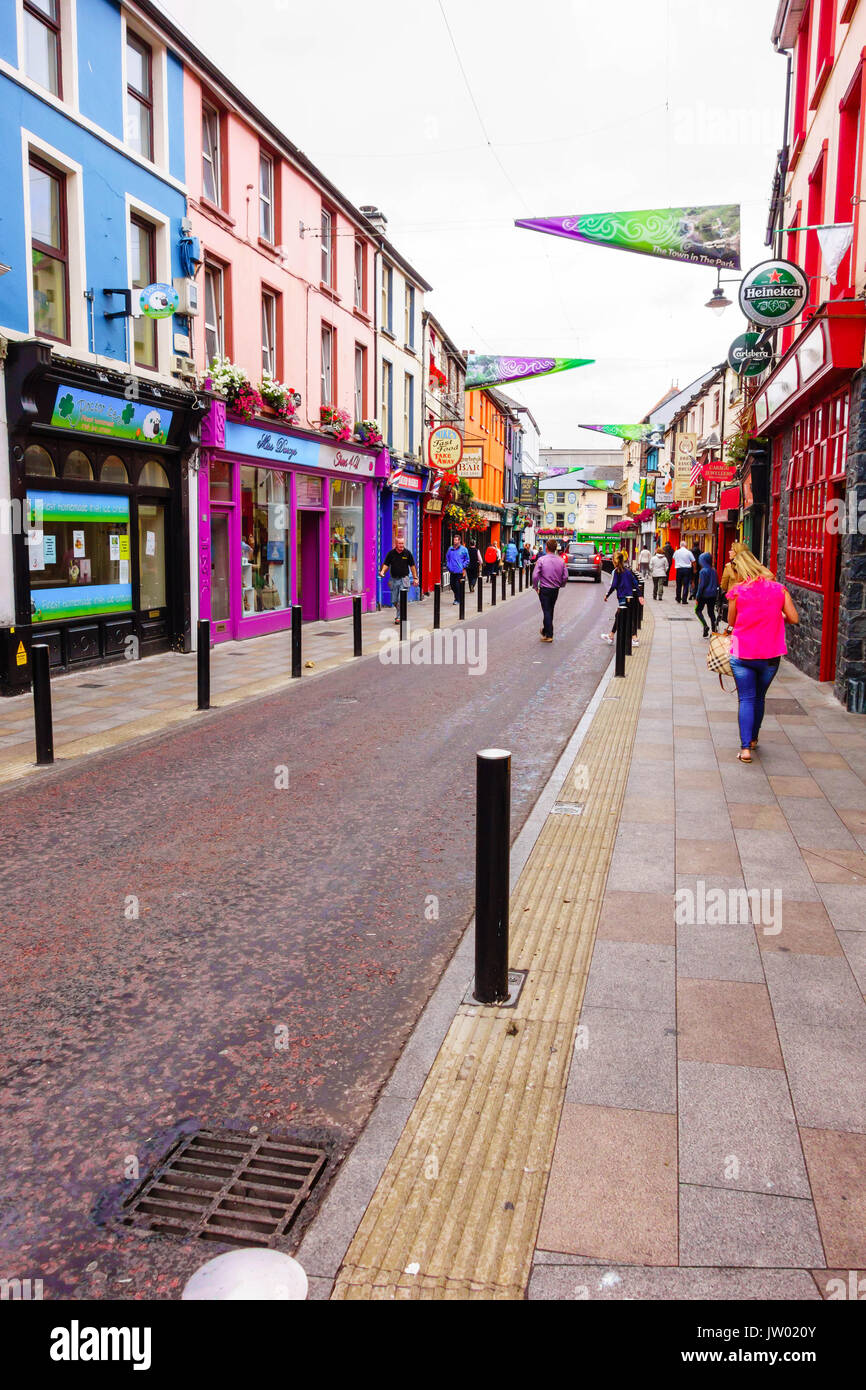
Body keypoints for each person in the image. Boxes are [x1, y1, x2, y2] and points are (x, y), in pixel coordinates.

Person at [723, 546, 799, 763]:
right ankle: (754, 739)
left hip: (742, 653)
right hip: (770, 655)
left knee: (746, 698)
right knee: (759, 697)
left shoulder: (737, 591)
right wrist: (778, 615)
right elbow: (793, 618)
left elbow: (731, 622)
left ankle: (745, 749)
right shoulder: (779, 589)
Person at [532, 537, 568, 641]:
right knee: (550, 610)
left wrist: (535, 587)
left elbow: (535, 576)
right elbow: (565, 576)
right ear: (555, 548)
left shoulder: (541, 560)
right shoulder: (561, 561)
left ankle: (549, 635)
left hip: (544, 589)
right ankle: (545, 631)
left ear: (546, 548)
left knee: (546, 610)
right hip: (555, 589)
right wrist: (561, 584)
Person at [601, 550, 639, 643]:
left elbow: (613, 585)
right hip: (630, 596)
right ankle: (611, 636)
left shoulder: (616, 571)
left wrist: (607, 595)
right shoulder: (628, 571)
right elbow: (635, 582)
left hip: (622, 597)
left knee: (624, 617)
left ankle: (634, 638)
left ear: (614, 561)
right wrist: (639, 594)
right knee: (621, 615)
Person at [379, 537, 419, 623]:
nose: (401, 545)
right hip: (393, 579)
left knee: (401, 599)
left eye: (402, 543)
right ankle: (401, 612)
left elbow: (412, 566)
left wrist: (415, 578)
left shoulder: (407, 553)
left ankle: (399, 616)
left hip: (404, 579)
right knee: (394, 600)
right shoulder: (391, 553)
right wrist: (382, 571)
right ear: (396, 544)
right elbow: (386, 564)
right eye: (399, 544)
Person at [694, 551, 720, 637]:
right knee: (711, 613)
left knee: (698, 610)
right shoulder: (714, 570)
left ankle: (705, 626)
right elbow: (717, 583)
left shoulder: (703, 571)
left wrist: (697, 596)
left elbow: (701, 586)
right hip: (712, 595)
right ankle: (714, 631)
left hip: (704, 595)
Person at [445, 535, 469, 605]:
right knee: (452, 585)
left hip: (459, 571)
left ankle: (457, 599)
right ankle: (459, 596)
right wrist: (448, 566)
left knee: (458, 585)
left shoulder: (464, 549)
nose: (454, 541)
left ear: (459, 541)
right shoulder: (450, 549)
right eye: (454, 540)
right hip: (452, 571)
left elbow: (467, 560)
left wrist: (463, 566)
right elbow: (447, 558)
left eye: (456, 540)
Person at [673, 540, 696, 604]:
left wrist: (679, 562)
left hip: (679, 569)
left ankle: (678, 598)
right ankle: (684, 600)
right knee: (686, 585)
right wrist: (694, 569)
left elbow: (674, 558)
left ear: (680, 545)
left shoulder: (677, 552)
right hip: (687, 569)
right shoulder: (688, 552)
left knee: (678, 584)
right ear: (686, 546)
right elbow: (693, 561)